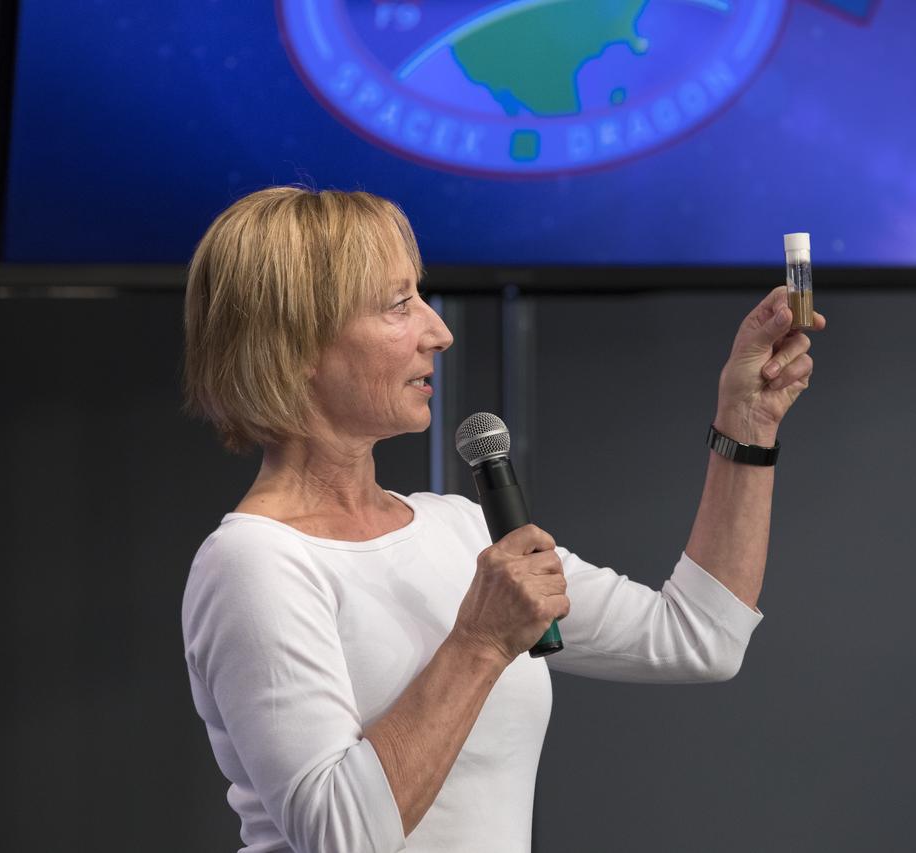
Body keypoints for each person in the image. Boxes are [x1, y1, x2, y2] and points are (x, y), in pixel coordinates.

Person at [180, 186, 823, 853]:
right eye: (400, 304)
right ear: (296, 344)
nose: (439, 331)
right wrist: (479, 644)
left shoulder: (460, 528)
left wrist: (745, 428)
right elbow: (342, 835)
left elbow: (700, 638)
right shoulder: (253, 561)